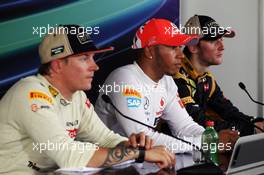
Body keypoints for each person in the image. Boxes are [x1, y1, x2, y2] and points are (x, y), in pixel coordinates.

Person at [0, 25, 176, 175]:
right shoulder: (30, 93)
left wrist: (134, 145)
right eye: (84, 58)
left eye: (93, 57)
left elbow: (104, 138)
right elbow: (68, 156)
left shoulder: (77, 96)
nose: (95, 66)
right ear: (57, 64)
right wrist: (139, 154)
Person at [95, 18, 238, 154]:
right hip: (101, 165)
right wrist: (208, 144)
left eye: (180, 47)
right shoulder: (124, 79)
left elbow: (184, 127)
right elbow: (144, 140)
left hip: (133, 161)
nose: (181, 55)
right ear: (149, 51)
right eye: (173, 47)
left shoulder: (167, 81)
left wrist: (212, 138)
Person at [174, 15, 264, 136]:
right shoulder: (176, 77)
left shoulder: (207, 79)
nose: (222, 47)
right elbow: (198, 121)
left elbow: (228, 111)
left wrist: (255, 122)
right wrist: (250, 129)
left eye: (221, 39)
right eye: (213, 40)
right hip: (171, 150)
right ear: (193, 46)